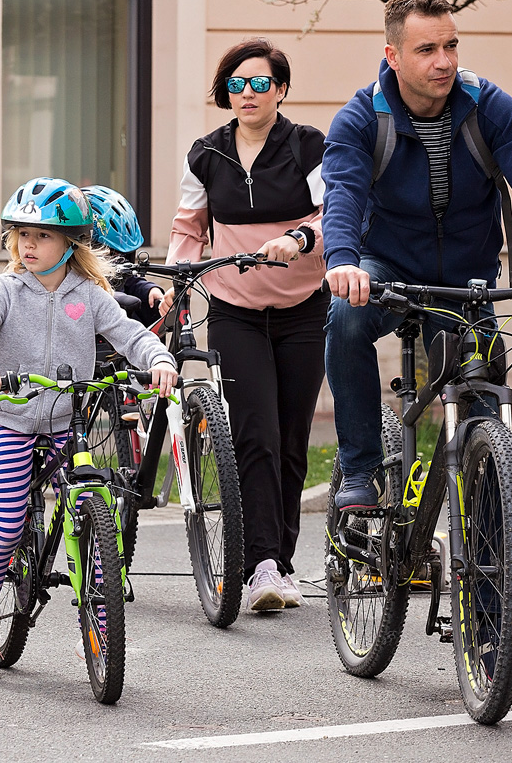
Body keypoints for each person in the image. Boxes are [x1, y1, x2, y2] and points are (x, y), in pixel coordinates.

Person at [320, 0, 512, 516]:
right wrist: (342, 261)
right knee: (346, 318)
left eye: (451, 46)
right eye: (426, 50)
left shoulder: (488, 107)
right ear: (392, 56)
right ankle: (360, 466)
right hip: (386, 267)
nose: (444, 62)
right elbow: (342, 194)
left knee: (484, 420)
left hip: (467, 282)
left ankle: (489, 581)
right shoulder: (363, 119)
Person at [0, 177, 178, 679]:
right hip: (14, 420)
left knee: (92, 508)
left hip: (66, 421)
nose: (27, 246)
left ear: (71, 243)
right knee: (10, 520)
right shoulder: (8, 288)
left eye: (42, 236)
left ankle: (100, 626)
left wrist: (159, 360)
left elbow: (130, 334)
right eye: (21, 235)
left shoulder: (90, 294)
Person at [161, 38, 329, 613]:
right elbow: (189, 226)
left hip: (304, 306)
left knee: (291, 437)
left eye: (261, 83)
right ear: (225, 91)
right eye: (238, 83)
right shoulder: (206, 154)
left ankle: (282, 562)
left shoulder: (309, 146)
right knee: (254, 431)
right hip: (233, 307)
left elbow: (334, 215)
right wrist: (175, 281)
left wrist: (299, 239)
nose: (249, 93)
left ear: (281, 89)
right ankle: (261, 565)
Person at [82, 184, 164, 327]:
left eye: (120, 255)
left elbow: (131, 281)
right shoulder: (72, 279)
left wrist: (150, 290)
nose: (115, 260)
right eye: (109, 253)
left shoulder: (120, 269)